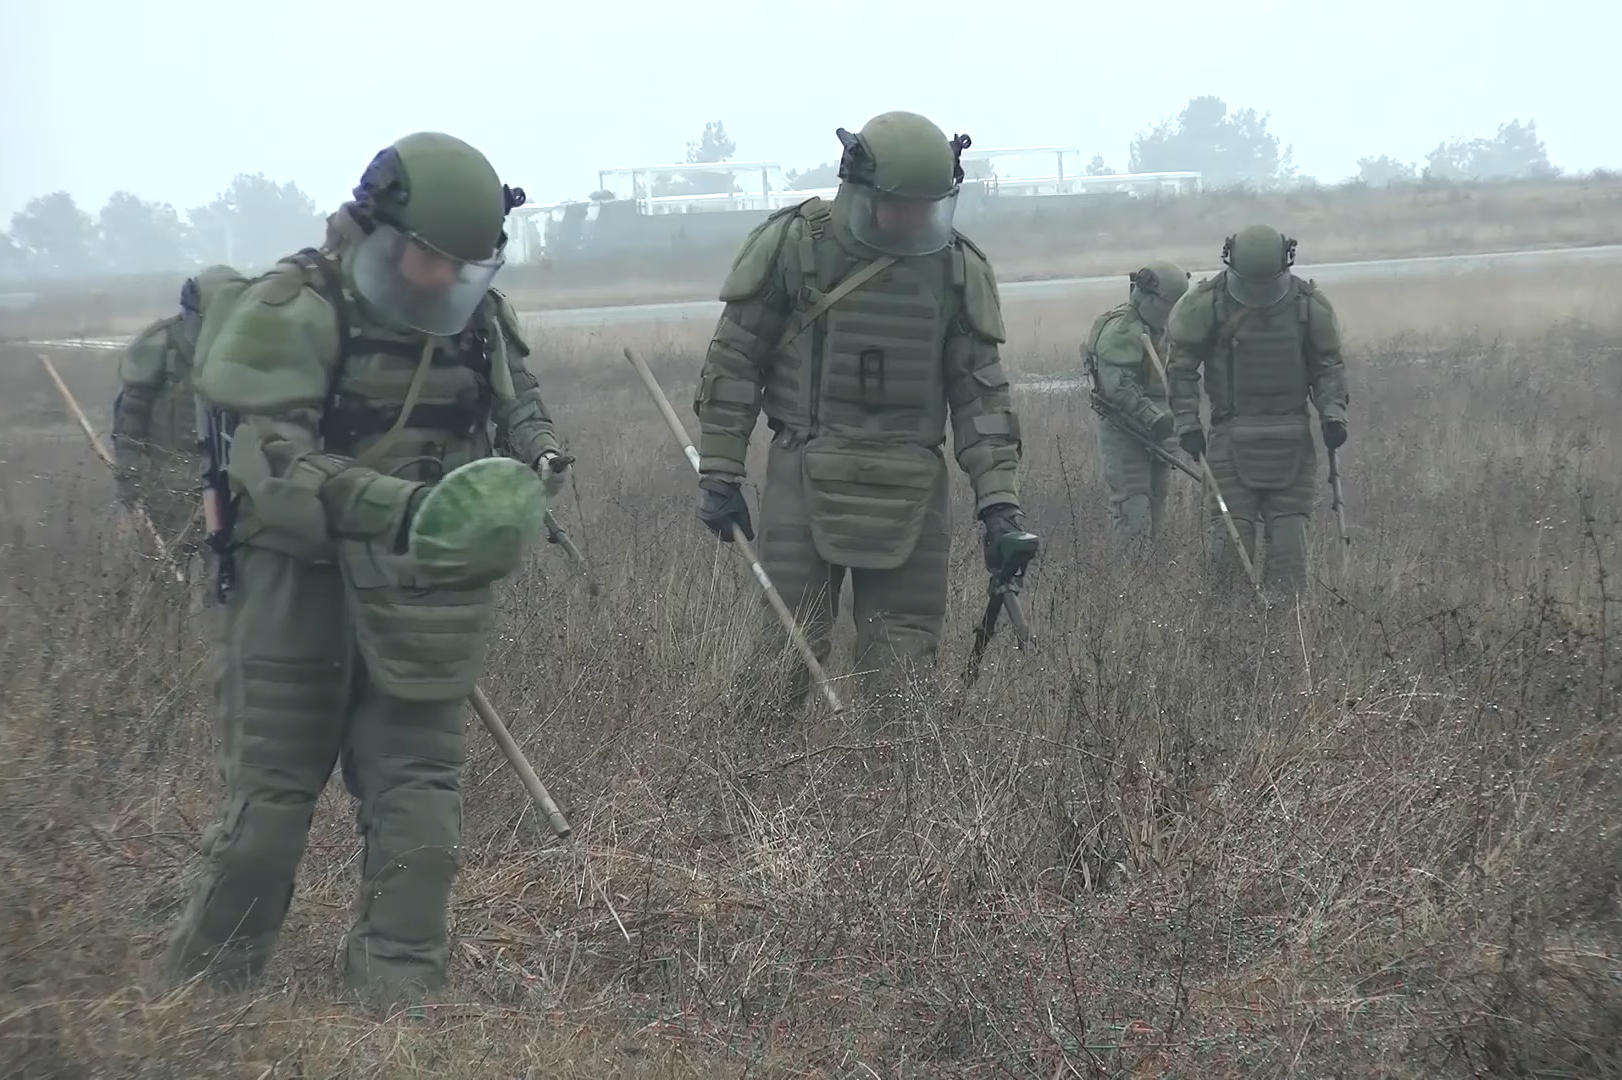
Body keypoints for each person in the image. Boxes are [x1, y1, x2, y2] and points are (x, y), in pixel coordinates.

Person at [162, 131, 567, 1004]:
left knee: (422, 815)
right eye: (425, 259)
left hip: (422, 593)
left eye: (460, 266)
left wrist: (531, 466)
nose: (439, 281)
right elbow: (275, 461)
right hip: (293, 586)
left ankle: (397, 1012)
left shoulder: (474, 321)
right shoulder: (298, 306)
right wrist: (401, 508)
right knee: (266, 816)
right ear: (379, 229)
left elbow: (517, 404)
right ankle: (206, 999)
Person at [690, 110, 1030, 711]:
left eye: (929, 206)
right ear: (863, 189)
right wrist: (721, 471)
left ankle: (899, 800)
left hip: (910, 487)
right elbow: (735, 362)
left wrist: (1000, 506)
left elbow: (980, 397)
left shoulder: (957, 268)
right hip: (806, 470)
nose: (915, 219)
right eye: (903, 205)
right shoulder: (795, 246)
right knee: (784, 657)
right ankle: (746, 795)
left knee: (904, 671)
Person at [1165, 224, 1350, 594]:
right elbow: (1181, 368)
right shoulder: (1207, 304)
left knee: (1290, 552)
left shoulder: (1308, 306)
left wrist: (1333, 414)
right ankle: (1231, 635)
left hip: (1292, 442)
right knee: (1230, 551)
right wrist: (1187, 422)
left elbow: (1328, 366)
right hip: (1230, 441)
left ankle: (1287, 635)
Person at [111, 265, 246, 545]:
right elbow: (130, 420)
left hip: (237, 487)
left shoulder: (253, 346)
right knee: (170, 571)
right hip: (172, 490)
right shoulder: (160, 344)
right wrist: (130, 478)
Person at [1081, 260, 1191, 542]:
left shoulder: (1161, 330)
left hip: (1160, 433)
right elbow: (1119, 389)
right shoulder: (1122, 330)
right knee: (1132, 509)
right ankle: (1127, 581)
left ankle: (1149, 578)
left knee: (1156, 507)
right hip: (1125, 433)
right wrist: (1155, 417)